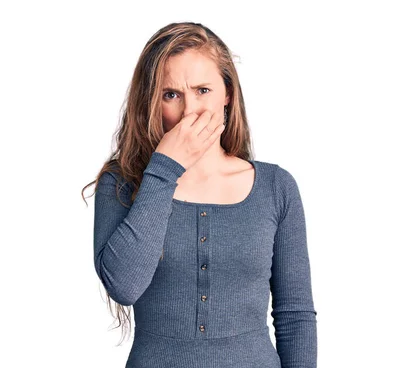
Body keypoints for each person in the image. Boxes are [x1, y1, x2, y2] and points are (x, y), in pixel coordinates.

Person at [82, 22, 318, 368]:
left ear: (228, 94)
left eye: (203, 90)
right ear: (151, 102)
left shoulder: (275, 188)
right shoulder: (122, 183)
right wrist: (165, 168)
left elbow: (295, 315)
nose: (189, 110)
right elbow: (124, 286)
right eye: (171, 94)